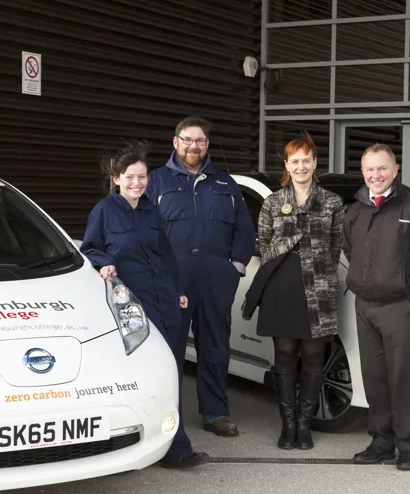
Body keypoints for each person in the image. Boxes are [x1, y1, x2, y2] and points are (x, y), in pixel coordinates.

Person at [80, 141, 209, 469]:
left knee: (172, 371)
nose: (137, 183)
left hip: (165, 299)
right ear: (117, 179)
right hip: (133, 305)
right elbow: (90, 248)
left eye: (143, 177)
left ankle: (175, 446)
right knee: (141, 373)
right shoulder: (104, 212)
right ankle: (139, 444)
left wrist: (178, 289)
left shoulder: (152, 210)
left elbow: (166, 254)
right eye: (130, 177)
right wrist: (104, 262)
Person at [147, 116, 257, 438]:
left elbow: (244, 233)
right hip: (173, 284)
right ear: (175, 141)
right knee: (170, 351)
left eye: (200, 140)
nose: (193, 145)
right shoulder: (156, 182)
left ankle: (215, 413)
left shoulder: (225, 184)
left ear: (207, 144)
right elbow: (145, 232)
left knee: (215, 349)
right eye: (187, 139)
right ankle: (169, 416)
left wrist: (233, 270)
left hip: (214, 283)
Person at [342, 143, 410, 471]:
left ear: (395, 169)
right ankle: (381, 441)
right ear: (363, 172)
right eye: (370, 169)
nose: (376, 175)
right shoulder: (356, 210)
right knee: (374, 376)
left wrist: (407, 283)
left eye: (382, 168)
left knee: (401, 375)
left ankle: (407, 445)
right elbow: (349, 250)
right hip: (365, 306)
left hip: (399, 306)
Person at [241, 134, 344, 450]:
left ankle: (304, 423)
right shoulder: (273, 202)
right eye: (294, 160)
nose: (301, 166)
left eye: (306, 160)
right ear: (287, 164)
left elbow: (336, 247)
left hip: (319, 286)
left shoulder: (332, 202)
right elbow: (264, 243)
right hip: (281, 286)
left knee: (314, 356)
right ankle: (288, 426)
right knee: (284, 356)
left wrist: (319, 268)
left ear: (315, 164)